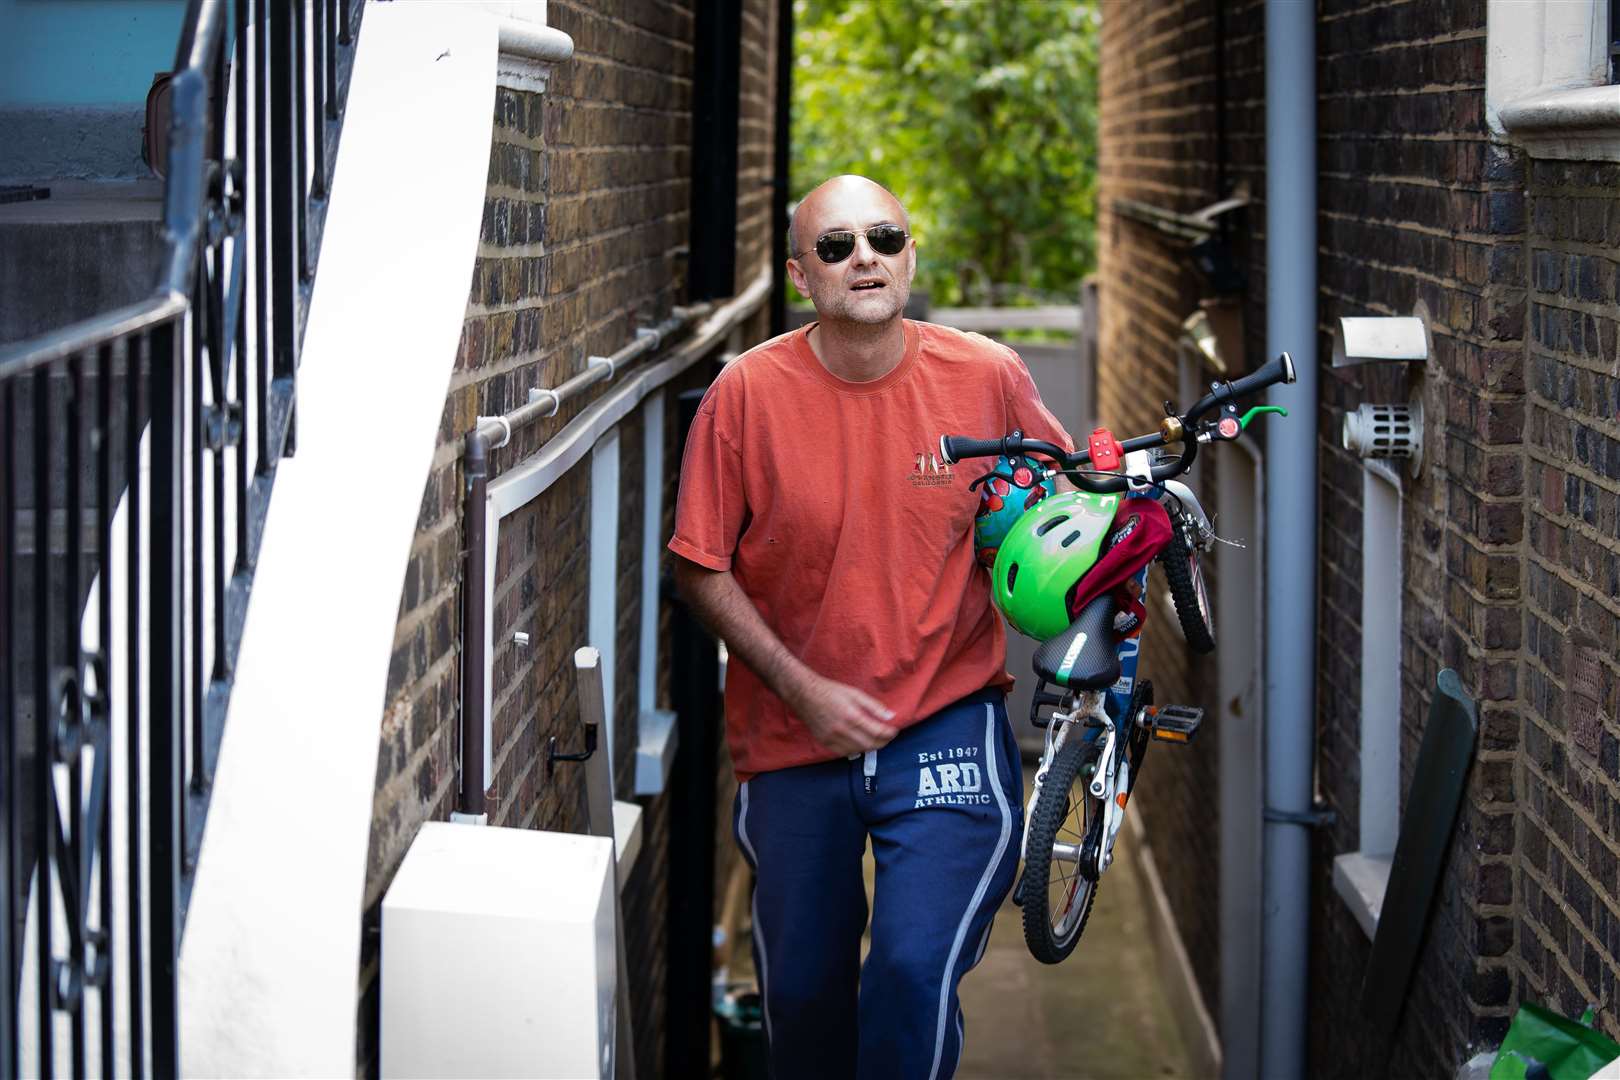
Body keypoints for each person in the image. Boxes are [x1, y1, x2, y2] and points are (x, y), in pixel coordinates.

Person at [669, 175, 1074, 1079]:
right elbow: (699, 565)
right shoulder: (745, 395)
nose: (866, 258)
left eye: (885, 239)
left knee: (909, 967)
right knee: (805, 1001)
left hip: (945, 719)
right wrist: (803, 690)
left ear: (910, 257)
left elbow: (1061, 514)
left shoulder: (986, 377)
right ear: (799, 277)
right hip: (791, 736)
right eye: (837, 245)